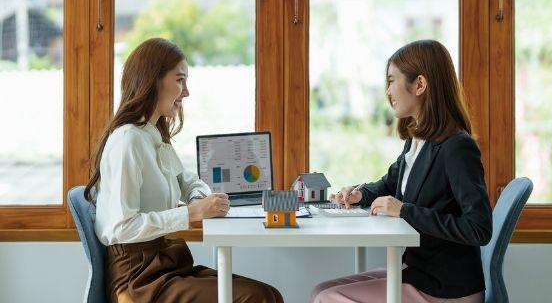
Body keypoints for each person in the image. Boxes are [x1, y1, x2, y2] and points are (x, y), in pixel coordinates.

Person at [84, 38, 283, 303]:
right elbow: (121, 228)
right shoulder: (128, 140)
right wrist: (191, 213)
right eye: (180, 80)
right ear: (153, 80)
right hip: (137, 280)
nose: (186, 92)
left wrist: (198, 199)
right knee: (257, 298)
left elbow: (188, 181)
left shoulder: (152, 135)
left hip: (163, 264)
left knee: (269, 294)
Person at [310, 39, 493, 303]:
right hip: (417, 272)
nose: (387, 91)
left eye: (391, 80)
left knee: (328, 298)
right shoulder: (418, 141)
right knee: (320, 291)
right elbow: (389, 185)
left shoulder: (456, 147)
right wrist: (359, 194)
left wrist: (404, 210)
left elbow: (478, 228)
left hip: (446, 288)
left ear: (419, 84)